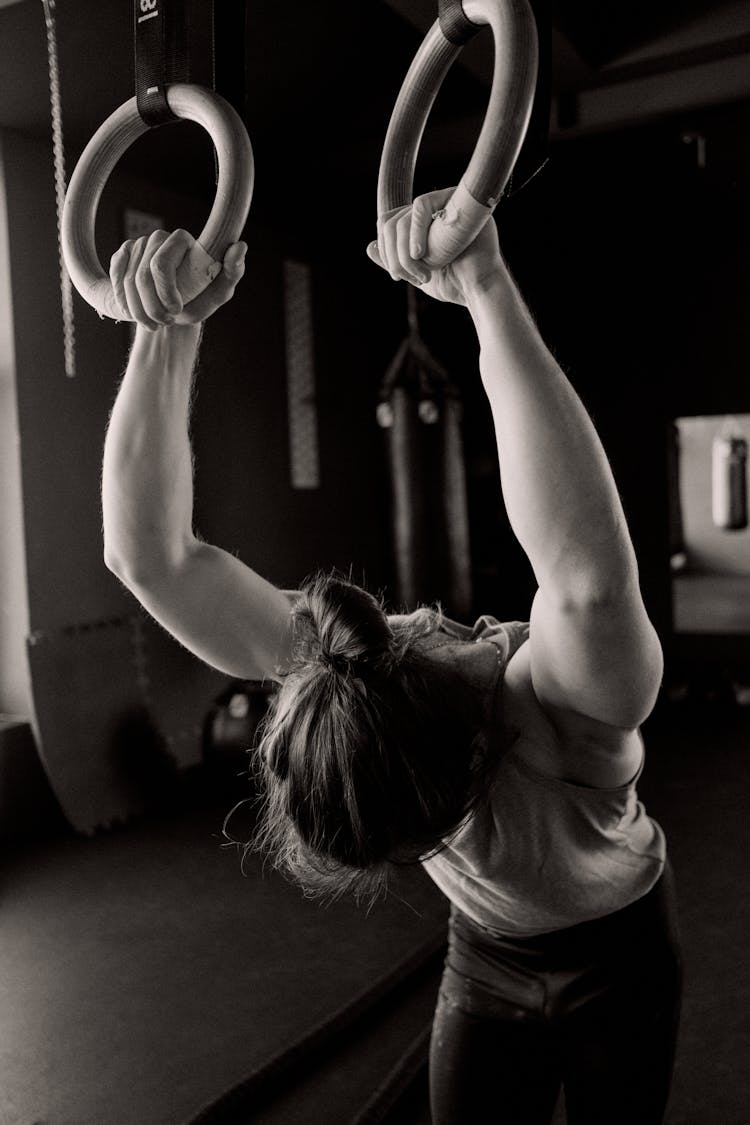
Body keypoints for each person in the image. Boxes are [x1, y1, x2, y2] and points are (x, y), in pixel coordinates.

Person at [102, 191, 681, 1124]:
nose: (402, 613)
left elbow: (151, 558)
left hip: (575, 953)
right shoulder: (565, 712)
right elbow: (583, 576)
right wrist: (484, 284)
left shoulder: (357, 698)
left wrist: (163, 331)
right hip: (535, 952)